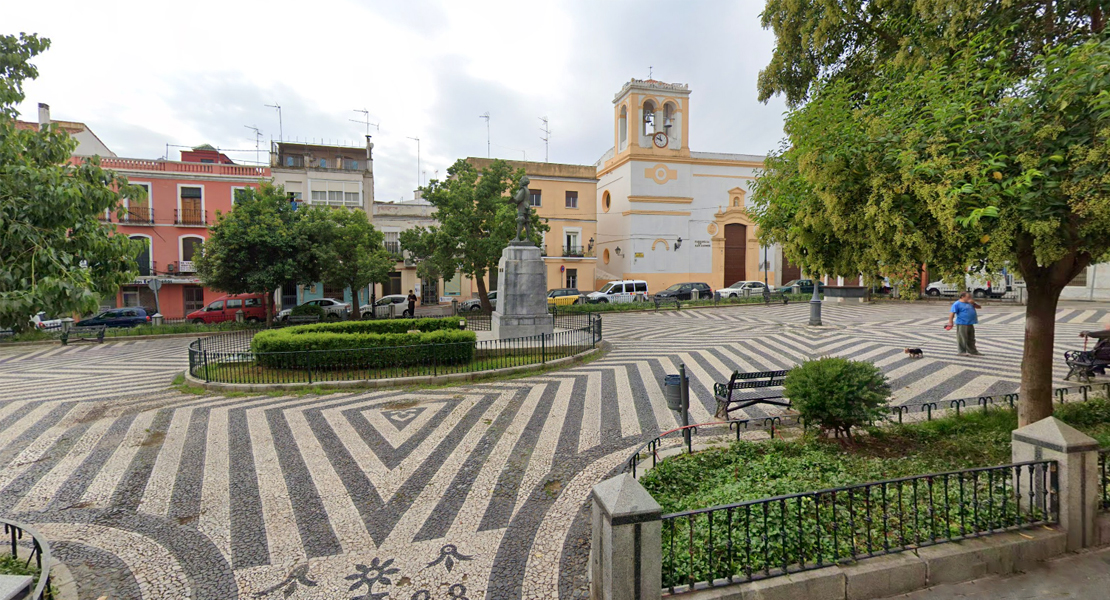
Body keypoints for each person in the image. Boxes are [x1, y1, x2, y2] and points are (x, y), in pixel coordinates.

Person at [945, 292, 982, 356]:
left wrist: (973, 303)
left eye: (970, 297)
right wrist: (950, 322)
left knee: (971, 338)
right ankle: (961, 351)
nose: (969, 298)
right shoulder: (957, 304)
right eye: (968, 297)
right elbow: (952, 313)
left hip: (970, 322)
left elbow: (979, 307)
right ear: (962, 297)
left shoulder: (970, 303)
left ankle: (972, 351)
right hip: (962, 323)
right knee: (962, 337)